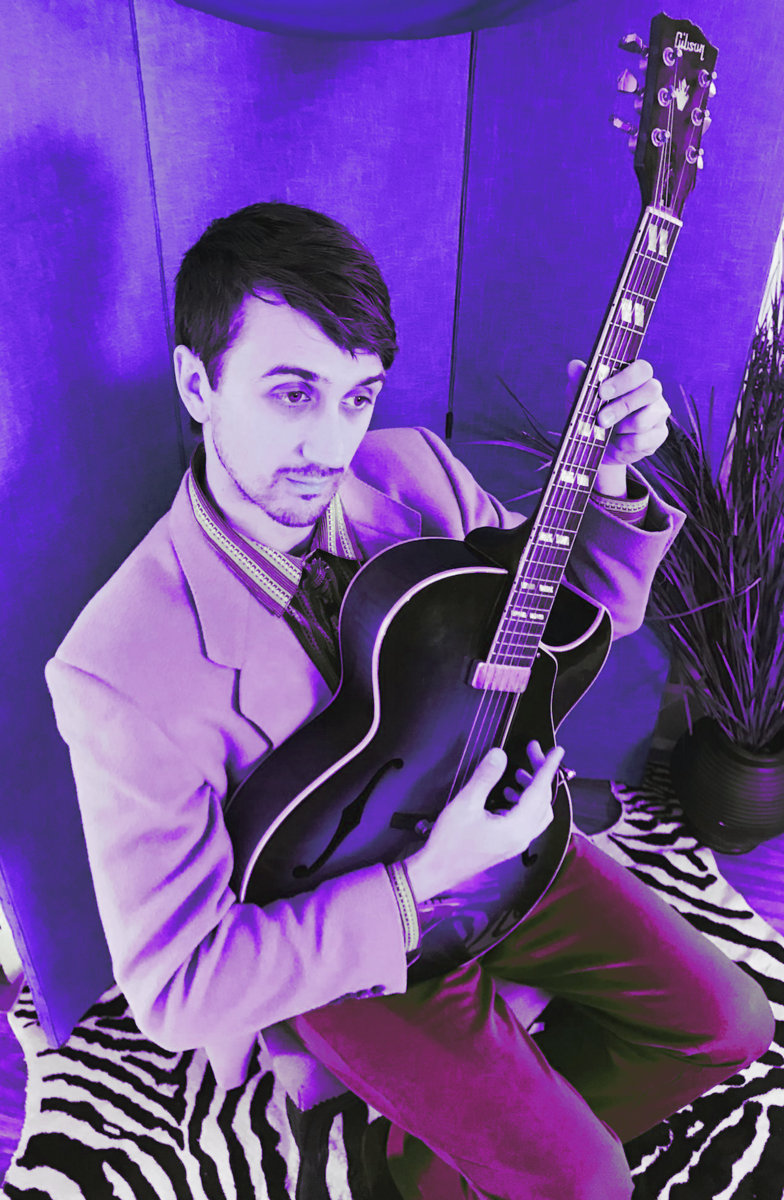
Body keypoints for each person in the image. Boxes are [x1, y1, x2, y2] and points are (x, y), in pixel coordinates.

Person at [46, 202, 774, 1200]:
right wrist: (420, 880)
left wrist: (609, 485)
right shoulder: (118, 669)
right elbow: (175, 989)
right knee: (591, 1183)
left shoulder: (414, 476)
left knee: (731, 1026)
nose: (330, 443)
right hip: (336, 947)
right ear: (197, 384)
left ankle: (431, 1167)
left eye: (356, 397)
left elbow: (572, 622)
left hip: (504, 851)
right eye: (292, 394)